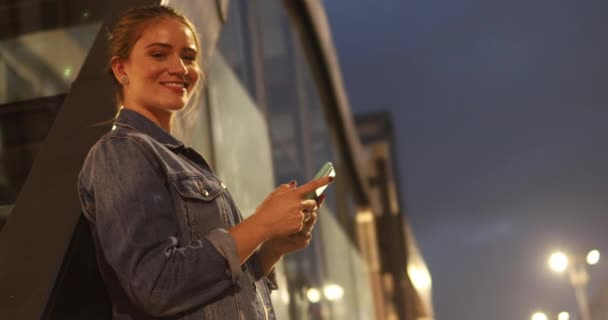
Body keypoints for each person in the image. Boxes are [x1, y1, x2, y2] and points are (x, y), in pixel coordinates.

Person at [77, 5, 332, 319]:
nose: (180, 68)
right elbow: (158, 286)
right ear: (121, 69)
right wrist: (261, 223)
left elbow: (213, 289)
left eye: (188, 56)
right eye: (159, 54)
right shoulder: (121, 152)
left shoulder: (181, 160)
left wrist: (271, 245)